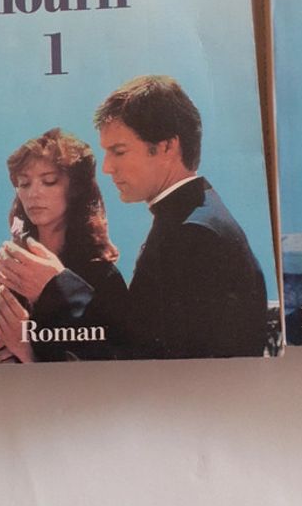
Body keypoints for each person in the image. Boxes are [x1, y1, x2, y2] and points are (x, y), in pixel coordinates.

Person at [94, 75, 268, 359]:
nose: (107, 167)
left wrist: (60, 286)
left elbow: (151, 354)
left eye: (119, 151)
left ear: (167, 147)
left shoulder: (194, 234)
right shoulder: (196, 217)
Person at [0, 128, 129, 363]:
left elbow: (113, 367)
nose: (33, 193)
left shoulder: (104, 277)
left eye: (49, 181)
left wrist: (27, 352)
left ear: (75, 190)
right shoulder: (9, 274)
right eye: (24, 183)